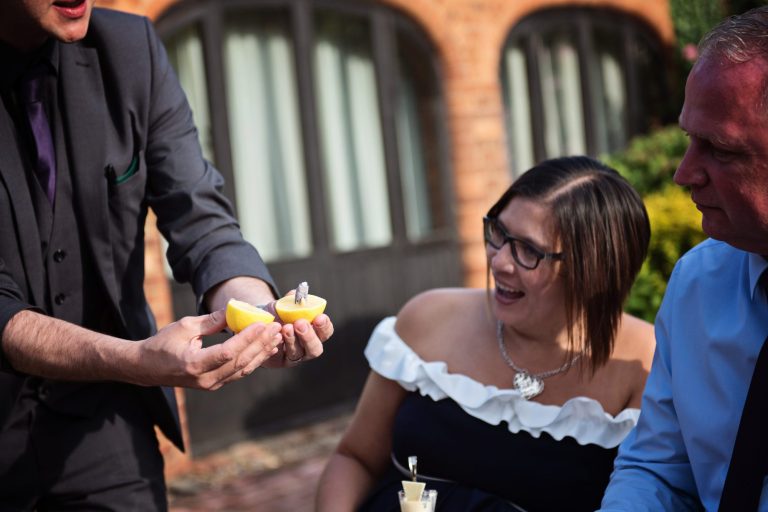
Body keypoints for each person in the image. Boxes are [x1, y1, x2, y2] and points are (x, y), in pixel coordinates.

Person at [0, 1, 333, 509]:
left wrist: (260, 314)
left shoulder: (132, 49)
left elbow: (200, 216)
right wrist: (136, 359)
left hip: (108, 428)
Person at [316, 156, 655, 512]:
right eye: (499, 233)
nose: (499, 261)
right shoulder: (428, 317)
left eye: (528, 250)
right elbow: (354, 458)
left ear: (595, 271)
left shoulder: (644, 364)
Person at [599, 7, 768, 511]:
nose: (684, 172)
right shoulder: (700, 281)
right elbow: (658, 470)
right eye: (688, 140)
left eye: (719, 148)